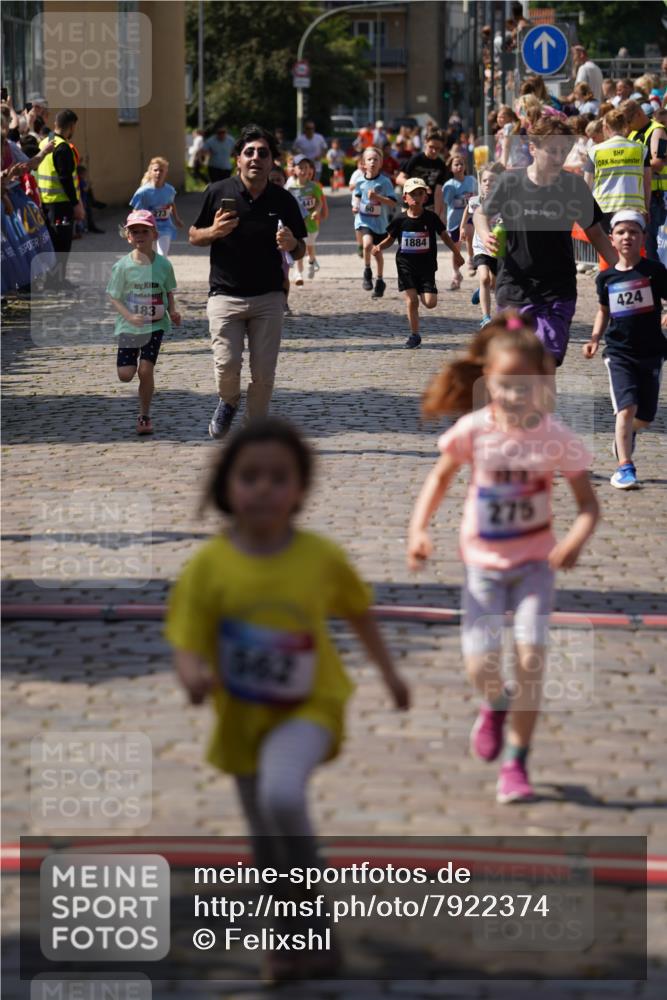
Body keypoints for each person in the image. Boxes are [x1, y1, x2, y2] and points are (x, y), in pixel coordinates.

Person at [165, 418, 409, 981]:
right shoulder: (208, 567)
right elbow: (185, 638)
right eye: (250, 477)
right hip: (241, 719)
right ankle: (293, 940)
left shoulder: (319, 556)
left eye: (280, 478)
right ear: (228, 487)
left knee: (281, 796)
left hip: (310, 707)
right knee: (266, 843)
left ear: (300, 490)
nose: (264, 488)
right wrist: (193, 676)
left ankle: (312, 928)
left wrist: (391, 676)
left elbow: (359, 613)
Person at [408, 315, 599, 803]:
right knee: (480, 666)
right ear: (487, 380)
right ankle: (494, 702)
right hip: (483, 567)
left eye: (526, 385)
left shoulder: (555, 434)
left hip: (535, 566)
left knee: (532, 660)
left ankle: (516, 763)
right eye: (504, 384)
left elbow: (587, 505)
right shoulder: (473, 430)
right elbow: (441, 478)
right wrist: (418, 530)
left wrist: (576, 537)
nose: (515, 394)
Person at [188, 124, 307, 439]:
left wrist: (292, 243)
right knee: (227, 366)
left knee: (264, 374)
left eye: (263, 153)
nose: (256, 158)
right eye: (249, 152)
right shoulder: (218, 192)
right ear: (237, 159)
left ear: (272, 162)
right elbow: (193, 236)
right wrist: (213, 232)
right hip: (225, 296)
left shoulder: (283, 200)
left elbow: (301, 248)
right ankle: (228, 400)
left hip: (268, 298)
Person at [477, 117, 617, 366]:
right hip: (514, 289)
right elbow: (481, 213)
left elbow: (596, 234)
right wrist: (485, 232)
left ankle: (537, 405)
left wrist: (623, 271)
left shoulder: (573, 186)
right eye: (552, 150)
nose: (558, 157)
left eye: (563, 151)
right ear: (533, 148)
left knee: (545, 361)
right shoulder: (511, 182)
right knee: (514, 360)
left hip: (557, 292)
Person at [583, 210, 667, 490]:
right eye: (621, 232)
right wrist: (595, 338)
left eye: (633, 231)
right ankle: (625, 467)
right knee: (626, 407)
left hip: (653, 351)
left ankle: (625, 435)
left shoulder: (654, 272)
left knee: (644, 417)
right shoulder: (605, 278)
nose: (627, 236)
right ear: (612, 239)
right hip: (619, 352)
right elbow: (603, 311)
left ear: (643, 237)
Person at [106, 210, 181, 436]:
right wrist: (128, 316)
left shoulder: (164, 266)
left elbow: (168, 292)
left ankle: (144, 415)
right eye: (134, 232)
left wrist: (174, 311)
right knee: (126, 374)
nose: (140, 235)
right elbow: (114, 296)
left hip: (154, 326)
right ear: (128, 236)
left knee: (145, 370)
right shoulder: (122, 267)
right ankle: (139, 400)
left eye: (144, 231)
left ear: (154, 234)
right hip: (129, 327)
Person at [372, 176, 464, 349]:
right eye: (412, 194)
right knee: (412, 300)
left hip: (427, 267)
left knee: (430, 303)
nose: (416, 197)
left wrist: (456, 253)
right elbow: (390, 239)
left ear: (425, 197)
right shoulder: (400, 219)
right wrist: (379, 247)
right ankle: (414, 335)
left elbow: (444, 235)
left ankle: (423, 290)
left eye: (420, 193)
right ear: (405, 197)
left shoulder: (431, 218)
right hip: (405, 265)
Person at [36, 108, 85, 290]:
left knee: (52, 242)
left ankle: (52, 280)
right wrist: (76, 204)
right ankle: (57, 281)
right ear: (71, 126)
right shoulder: (63, 147)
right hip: (61, 203)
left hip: (46, 202)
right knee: (62, 243)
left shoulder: (44, 143)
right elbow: (65, 178)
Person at [583, 108, 650, 232]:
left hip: (603, 208)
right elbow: (647, 183)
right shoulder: (641, 149)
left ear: (606, 127)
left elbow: (587, 184)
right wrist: (646, 208)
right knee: (629, 248)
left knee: (605, 249)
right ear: (625, 125)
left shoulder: (595, 151)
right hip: (633, 208)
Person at [624, 99, 667, 260]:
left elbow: (658, 163)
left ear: (638, 114)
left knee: (653, 244)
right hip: (641, 195)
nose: (627, 125)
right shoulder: (633, 134)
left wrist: (631, 165)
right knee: (645, 244)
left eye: (629, 121)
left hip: (659, 195)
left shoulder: (658, 131)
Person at [353, 145, 397, 298]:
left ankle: (380, 280)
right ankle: (367, 270)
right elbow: (357, 195)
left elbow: (393, 202)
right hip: (364, 220)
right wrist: (356, 205)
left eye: (375, 159)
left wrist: (378, 198)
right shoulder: (360, 181)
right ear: (363, 163)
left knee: (377, 252)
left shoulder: (385, 182)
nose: (372, 162)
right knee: (366, 245)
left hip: (380, 223)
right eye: (369, 159)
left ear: (380, 163)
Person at [467, 161, 505, 326]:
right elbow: (469, 216)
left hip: (498, 248)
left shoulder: (506, 202)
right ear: (480, 183)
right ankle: (486, 318)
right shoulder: (475, 201)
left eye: (493, 181)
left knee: (493, 283)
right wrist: (463, 228)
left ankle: (482, 291)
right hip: (481, 247)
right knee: (484, 279)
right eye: (485, 181)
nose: (488, 184)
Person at [130, 156, 183, 257]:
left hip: (165, 227)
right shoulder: (143, 192)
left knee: (162, 254)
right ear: (150, 171)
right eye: (156, 170)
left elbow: (171, 203)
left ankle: (161, 272)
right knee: (151, 255)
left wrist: (177, 219)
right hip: (148, 228)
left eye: (161, 170)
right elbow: (135, 211)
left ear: (166, 172)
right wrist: (132, 226)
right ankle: (152, 272)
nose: (158, 173)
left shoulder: (169, 190)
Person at [285, 155, 324, 283]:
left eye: (306, 167)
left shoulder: (314, 187)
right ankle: (298, 273)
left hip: (312, 225)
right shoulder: (290, 189)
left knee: (310, 248)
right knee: (299, 248)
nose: (303, 170)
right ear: (294, 170)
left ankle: (312, 261)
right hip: (297, 225)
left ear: (310, 170)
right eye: (300, 167)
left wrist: (316, 212)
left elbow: (319, 202)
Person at [443, 153, 478, 288]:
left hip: (470, 216)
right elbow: (447, 201)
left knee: (469, 233)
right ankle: (456, 274)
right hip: (454, 221)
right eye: (456, 164)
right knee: (455, 249)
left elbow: (477, 196)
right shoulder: (449, 184)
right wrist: (452, 192)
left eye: (461, 164)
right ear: (451, 168)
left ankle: (470, 259)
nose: (459, 167)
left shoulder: (472, 180)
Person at [396, 129, 447, 218]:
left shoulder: (441, 165)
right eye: (431, 147)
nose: (434, 151)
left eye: (438, 148)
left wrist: (437, 214)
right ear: (425, 143)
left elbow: (438, 192)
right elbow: (399, 179)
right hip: (410, 203)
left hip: (429, 206)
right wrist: (418, 186)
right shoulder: (416, 159)